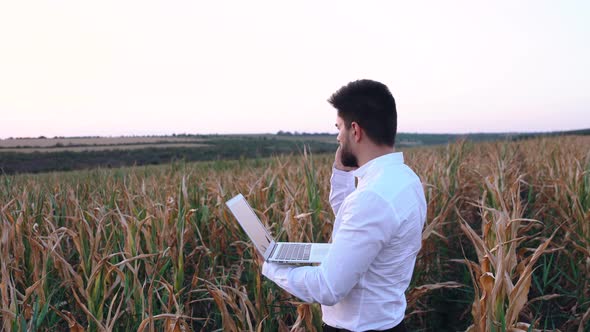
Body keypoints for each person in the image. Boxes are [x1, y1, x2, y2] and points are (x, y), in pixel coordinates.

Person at [261, 79, 427, 332]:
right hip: (387, 322)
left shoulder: (373, 197)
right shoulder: (405, 179)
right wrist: (340, 174)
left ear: (355, 131)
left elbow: (328, 287)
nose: (338, 137)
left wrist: (272, 267)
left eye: (339, 128)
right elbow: (358, 226)